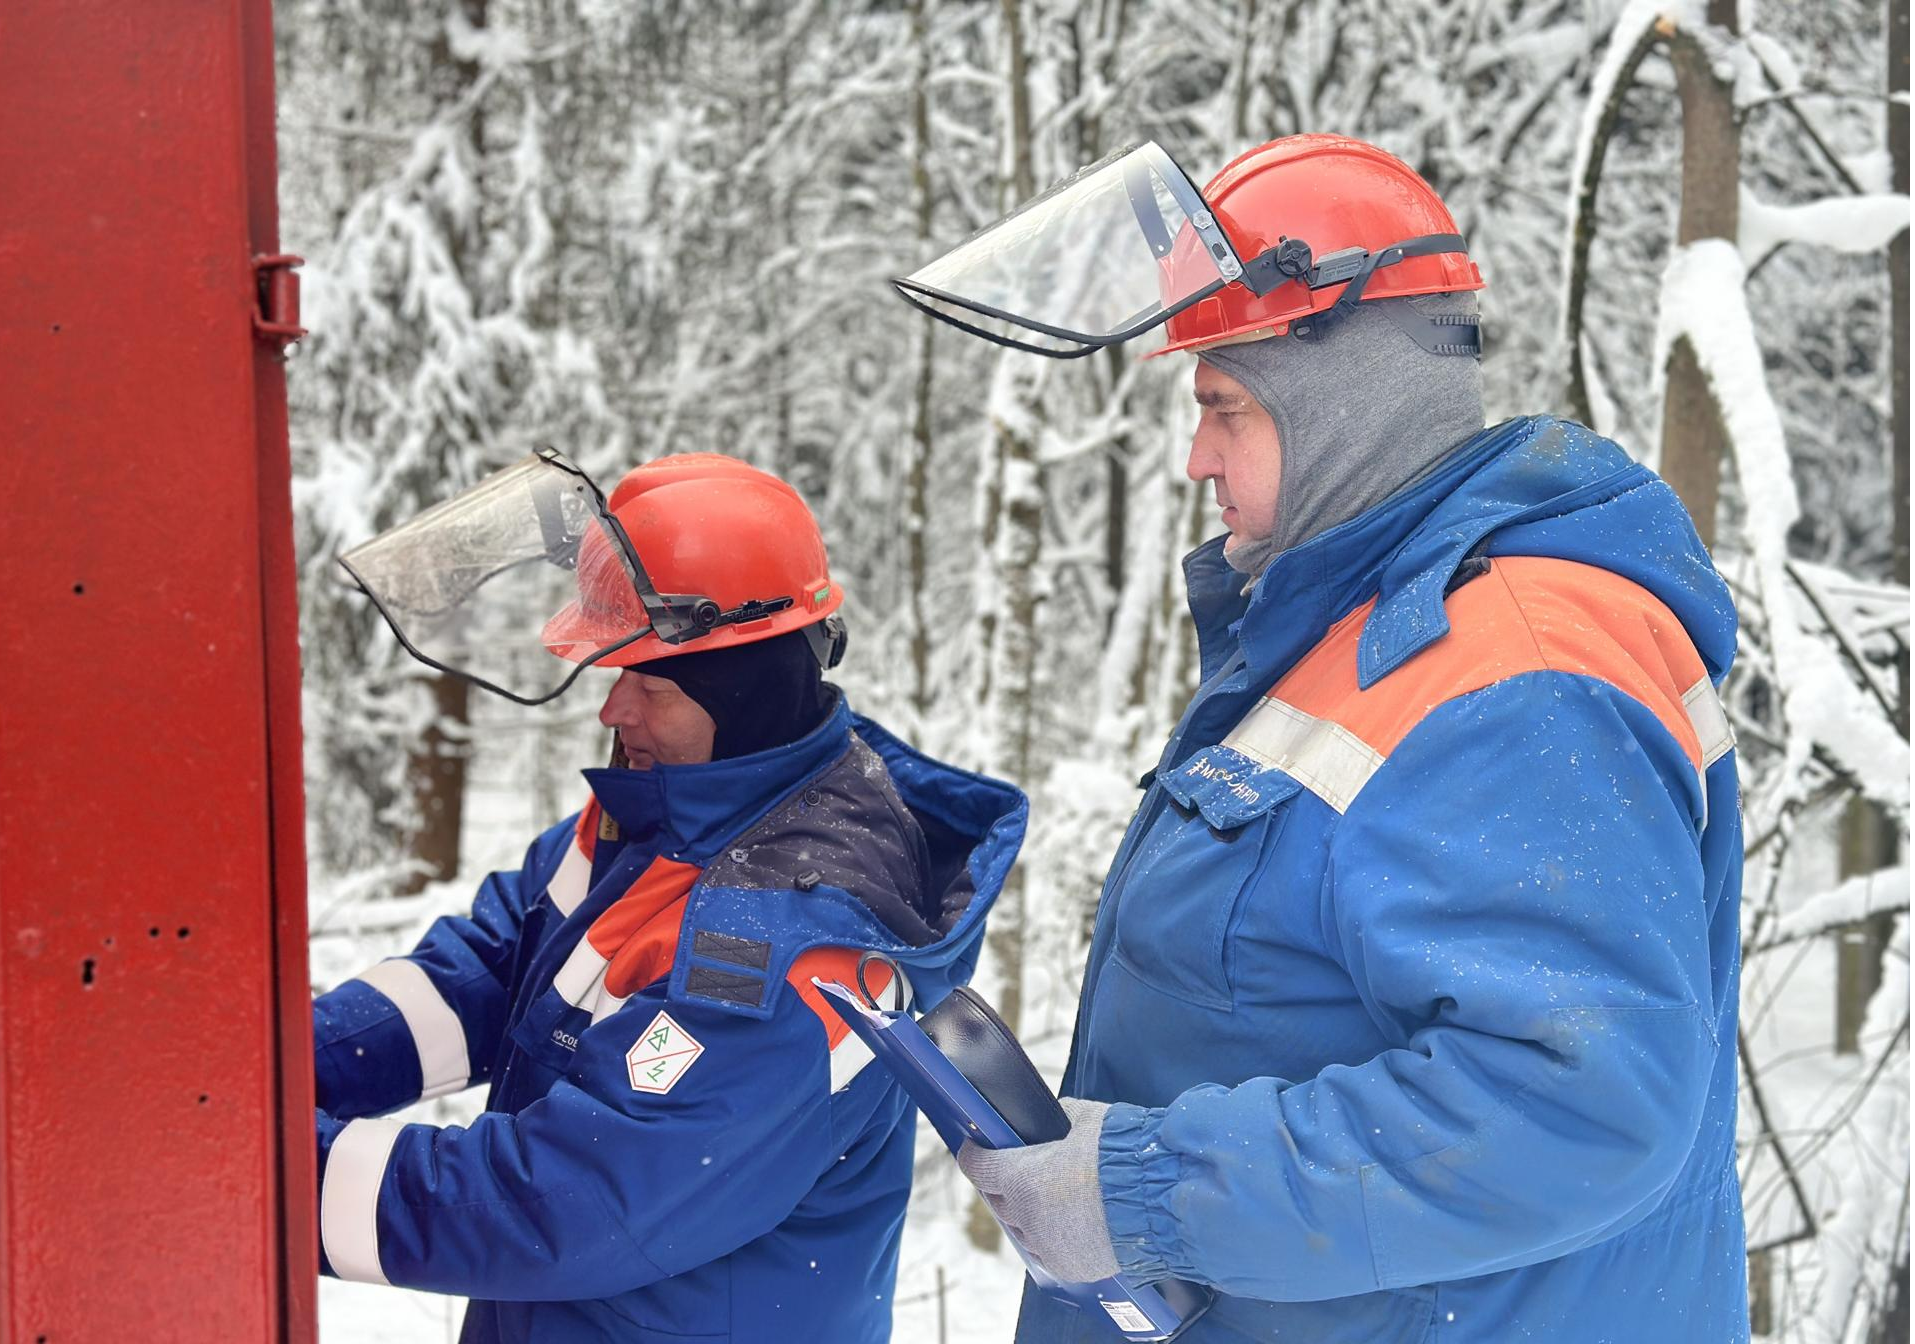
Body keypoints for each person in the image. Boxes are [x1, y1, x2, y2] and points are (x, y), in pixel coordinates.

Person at [902, 135, 1748, 1341]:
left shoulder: (1521, 671)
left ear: (1349, 407)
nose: (1195, 458)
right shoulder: (1364, 622)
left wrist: (1148, 1192)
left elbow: (1578, 1103)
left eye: (1225, 410)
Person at [312, 451, 1026, 1343]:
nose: (616, 712)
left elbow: (568, 1202)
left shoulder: (794, 939)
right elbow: (489, 971)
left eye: (650, 683)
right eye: (616, 674)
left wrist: (275, 1171)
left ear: (748, 691)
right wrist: (271, 1069)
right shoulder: (663, 817)